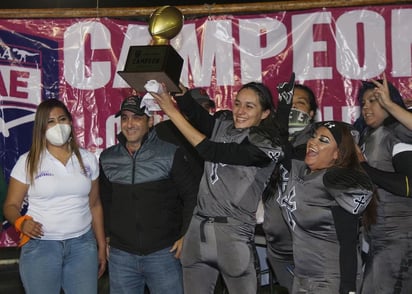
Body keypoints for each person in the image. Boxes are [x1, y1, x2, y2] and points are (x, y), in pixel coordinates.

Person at [151, 81, 283, 294]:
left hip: (233, 233)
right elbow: (194, 111)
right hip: (198, 227)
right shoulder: (224, 123)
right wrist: (173, 81)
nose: (240, 111)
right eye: (238, 103)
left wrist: (170, 111)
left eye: (249, 106)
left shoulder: (267, 143)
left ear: (265, 113)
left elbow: (211, 150)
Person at [3, 98, 106, 294]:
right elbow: (10, 205)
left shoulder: (88, 159)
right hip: (41, 247)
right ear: (41, 127)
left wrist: (101, 245)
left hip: (83, 246)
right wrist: (21, 223)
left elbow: (95, 205)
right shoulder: (28, 161)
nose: (58, 126)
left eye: (62, 119)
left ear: (70, 122)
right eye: (50, 121)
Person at [99, 95, 198, 294]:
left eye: (137, 117)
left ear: (150, 121)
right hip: (121, 257)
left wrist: (187, 234)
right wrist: (107, 236)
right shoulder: (108, 158)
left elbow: (192, 195)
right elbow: (104, 200)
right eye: (125, 118)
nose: (129, 124)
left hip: (163, 254)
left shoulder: (170, 153)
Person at [277, 120, 374, 294]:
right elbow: (282, 149)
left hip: (330, 279)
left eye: (324, 140)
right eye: (313, 137)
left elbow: (348, 243)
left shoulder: (334, 182)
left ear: (337, 153)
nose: (313, 142)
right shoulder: (302, 173)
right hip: (301, 276)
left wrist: (348, 289)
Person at [354, 76, 412, 294]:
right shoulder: (367, 137)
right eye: (363, 103)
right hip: (377, 238)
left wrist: (364, 168)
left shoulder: (398, 134)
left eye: (374, 100)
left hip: (401, 239)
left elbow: (409, 186)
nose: (366, 107)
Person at [263, 79, 318, 293]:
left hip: (311, 245)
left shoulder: (323, 143)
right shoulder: (266, 140)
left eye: (301, 103)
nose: (294, 107)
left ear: (311, 113)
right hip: (278, 246)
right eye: (289, 103)